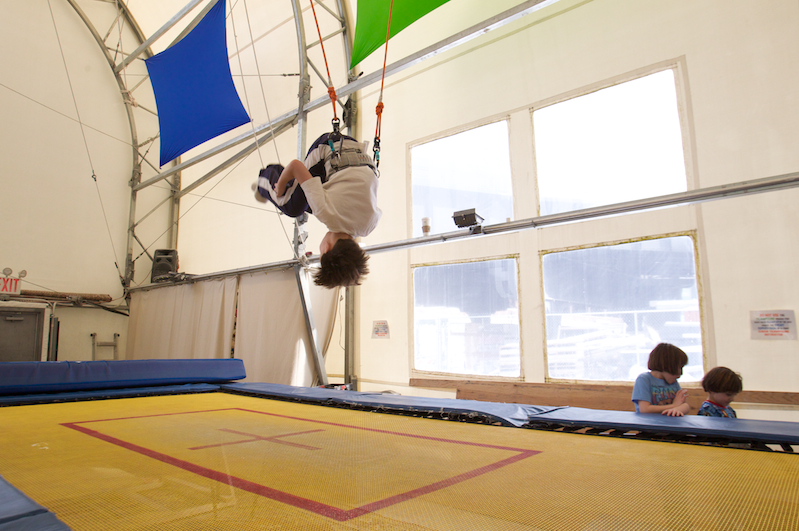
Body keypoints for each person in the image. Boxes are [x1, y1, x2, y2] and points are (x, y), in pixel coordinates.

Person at [255, 132, 381, 288]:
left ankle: (287, 183)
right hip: (329, 148)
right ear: (326, 249)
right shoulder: (326, 212)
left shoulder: (369, 225)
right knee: (290, 204)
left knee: (307, 203)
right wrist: (280, 185)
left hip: (355, 153)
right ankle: (264, 181)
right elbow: (295, 166)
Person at [631, 343, 691, 416]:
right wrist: (674, 405)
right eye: (679, 368)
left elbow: (685, 406)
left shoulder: (673, 383)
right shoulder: (644, 379)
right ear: (667, 365)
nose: (681, 373)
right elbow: (644, 409)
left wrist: (677, 409)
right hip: (649, 422)